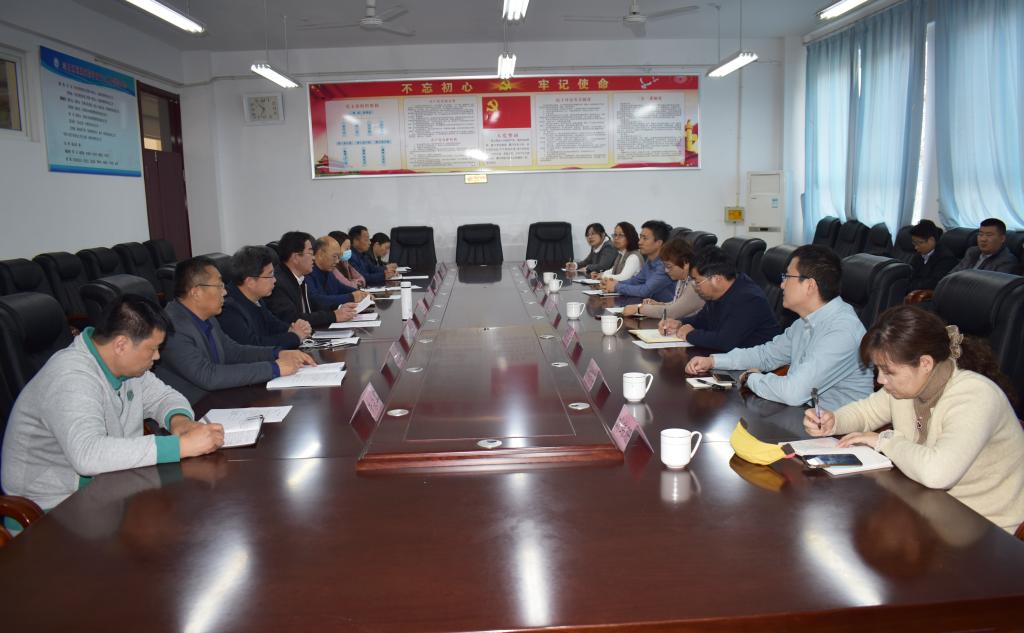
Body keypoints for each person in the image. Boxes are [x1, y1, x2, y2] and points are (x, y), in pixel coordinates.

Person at [804, 305, 1024, 534]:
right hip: (931, 509)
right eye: (878, 370)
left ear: (925, 363)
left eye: (888, 372)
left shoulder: (975, 397)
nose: (880, 380)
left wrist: (884, 441)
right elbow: (866, 412)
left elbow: (937, 474)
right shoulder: (906, 387)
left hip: (988, 529)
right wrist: (833, 421)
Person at [1, 295, 224, 511]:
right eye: (152, 348)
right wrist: (180, 446)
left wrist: (180, 422)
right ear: (121, 345)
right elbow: (87, 455)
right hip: (52, 508)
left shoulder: (127, 369)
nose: (157, 357)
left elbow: (164, 397)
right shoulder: (71, 377)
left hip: (108, 487)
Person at [685, 245, 873, 409]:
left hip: (837, 431)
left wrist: (751, 378)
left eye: (787, 277)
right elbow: (766, 355)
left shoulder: (841, 332)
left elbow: (794, 392)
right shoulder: (804, 322)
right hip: (804, 416)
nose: (782, 285)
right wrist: (714, 361)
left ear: (809, 285)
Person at [155, 256, 316, 404]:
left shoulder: (207, 316)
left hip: (219, 399)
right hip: (194, 410)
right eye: (219, 286)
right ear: (196, 293)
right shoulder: (172, 327)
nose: (225, 292)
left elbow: (234, 351)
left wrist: (278, 353)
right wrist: (274, 368)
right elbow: (208, 376)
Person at [660, 246, 781, 351]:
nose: (695, 287)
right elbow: (702, 319)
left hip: (757, 366)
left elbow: (725, 341)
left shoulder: (748, 299)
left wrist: (690, 334)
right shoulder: (718, 293)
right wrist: (680, 323)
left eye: (697, 282)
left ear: (716, 279)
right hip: (731, 358)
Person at [219, 246, 310, 349]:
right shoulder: (228, 309)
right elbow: (252, 345)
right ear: (250, 282)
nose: (275, 280)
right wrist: (295, 336)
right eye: (270, 275)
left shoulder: (255, 298)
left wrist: (294, 328)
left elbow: (273, 325)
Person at [265, 231, 356, 328]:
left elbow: (314, 304)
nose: (313, 258)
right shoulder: (278, 283)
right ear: (296, 257)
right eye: (310, 253)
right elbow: (293, 319)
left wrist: (339, 307)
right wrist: (334, 316)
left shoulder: (299, 278)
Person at [622, 238, 703, 320]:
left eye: (669, 266)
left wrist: (639, 309)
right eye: (665, 266)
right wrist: (658, 304)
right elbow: (676, 304)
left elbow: (673, 312)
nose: (666, 270)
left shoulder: (695, 284)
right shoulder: (682, 279)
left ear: (685, 263)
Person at [600, 220, 674, 301]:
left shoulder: (665, 265)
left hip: (664, 308)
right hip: (650, 305)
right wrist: (612, 283)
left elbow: (645, 291)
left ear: (658, 243)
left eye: (645, 238)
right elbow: (635, 281)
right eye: (640, 237)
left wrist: (616, 286)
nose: (639, 242)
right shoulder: (649, 261)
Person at [307, 235, 368, 310]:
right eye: (334, 256)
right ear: (320, 254)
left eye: (338, 257)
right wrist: (351, 297)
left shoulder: (328, 271)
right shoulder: (308, 272)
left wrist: (362, 293)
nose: (337, 261)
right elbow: (317, 301)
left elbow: (341, 288)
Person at [949, 218, 1019, 274]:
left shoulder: (1007, 261)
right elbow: (952, 274)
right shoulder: (972, 252)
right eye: (980, 234)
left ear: (1002, 238)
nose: (983, 239)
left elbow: (993, 285)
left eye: (989, 235)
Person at [907, 220, 958, 292]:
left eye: (919, 243)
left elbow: (932, 284)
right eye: (914, 243)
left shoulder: (946, 259)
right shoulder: (920, 254)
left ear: (931, 240)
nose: (916, 247)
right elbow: (909, 273)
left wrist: (907, 285)